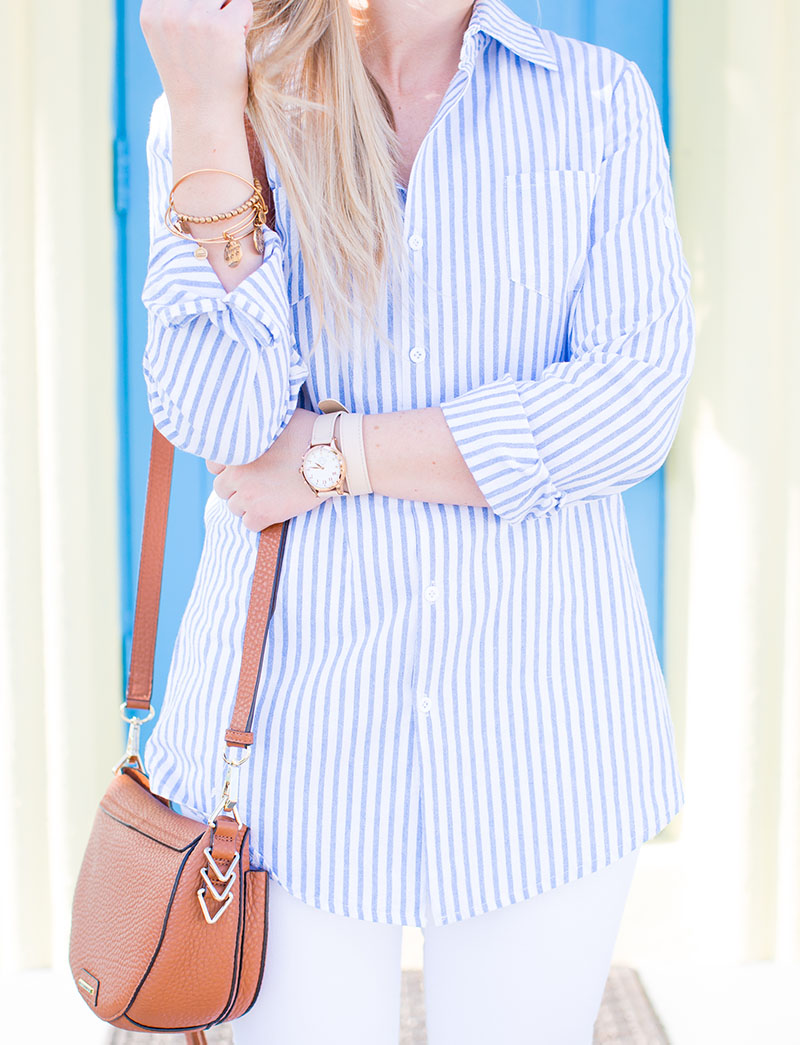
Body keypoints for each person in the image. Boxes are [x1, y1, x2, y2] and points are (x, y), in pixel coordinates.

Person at [138, 0, 696, 1041]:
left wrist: (332, 457)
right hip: (283, 751)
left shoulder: (593, 103)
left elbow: (629, 410)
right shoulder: (228, 104)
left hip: (543, 739)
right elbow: (221, 421)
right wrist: (210, 120)